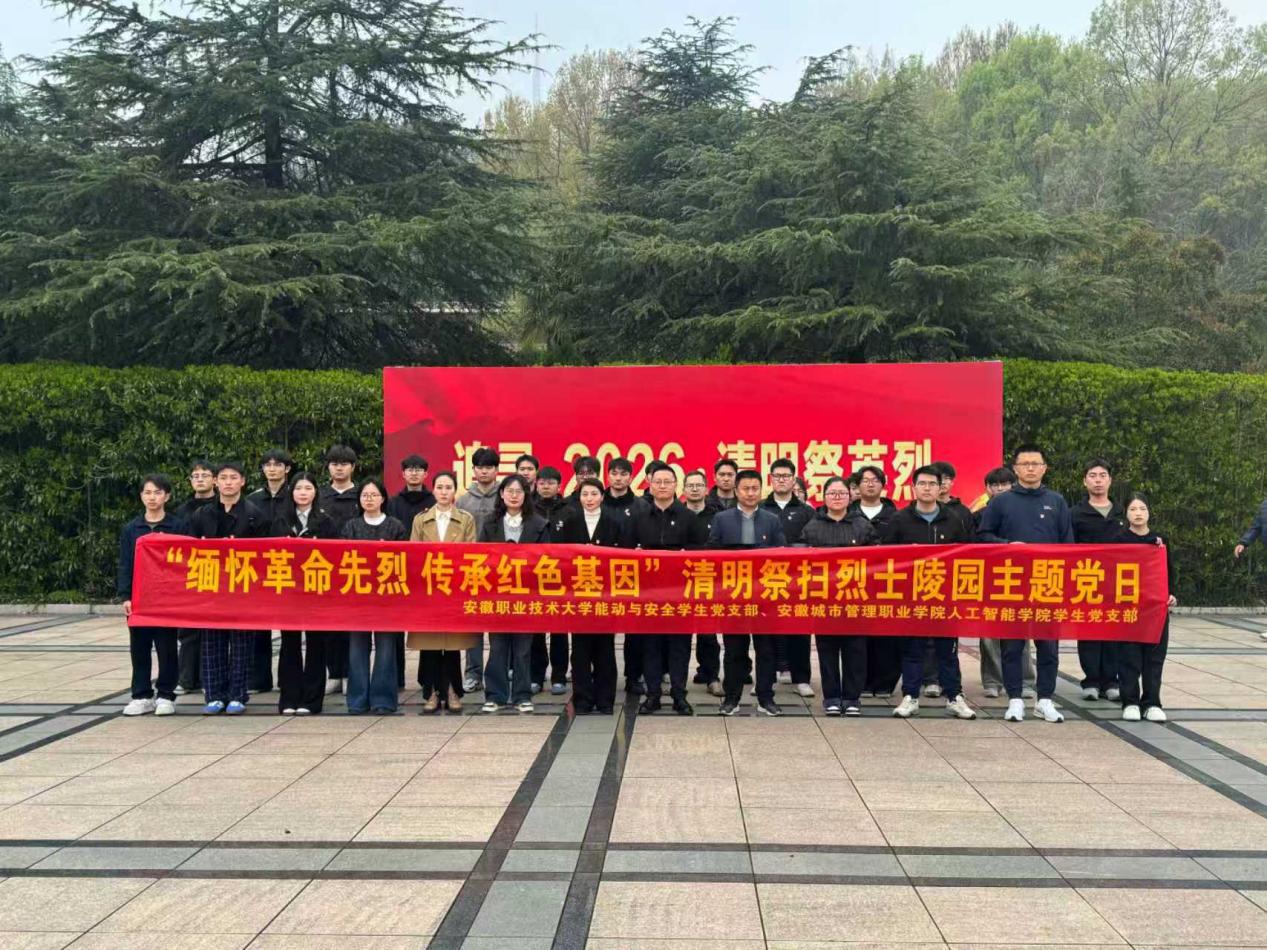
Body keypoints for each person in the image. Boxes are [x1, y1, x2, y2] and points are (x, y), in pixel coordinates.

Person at [977, 443, 1073, 724]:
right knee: (1012, 646)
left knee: (1048, 646)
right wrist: (1008, 545)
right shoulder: (1001, 502)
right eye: (1024, 464)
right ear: (1015, 469)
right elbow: (983, 536)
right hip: (1012, 583)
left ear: (1044, 468)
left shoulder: (1056, 501)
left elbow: (1068, 544)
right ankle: (1015, 699)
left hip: (1047, 584)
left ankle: (1045, 700)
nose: (1030, 468)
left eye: (1035, 464)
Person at [882, 466, 977, 720]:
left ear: (940, 487)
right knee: (912, 649)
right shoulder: (900, 519)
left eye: (932, 484)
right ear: (913, 487)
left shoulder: (953, 519)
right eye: (922, 483)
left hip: (944, 596)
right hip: (911, 595)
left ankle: (954, 696)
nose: (927, 488)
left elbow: (967, 555)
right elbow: (886, 556)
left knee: (948, 650)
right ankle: (910, 696)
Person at [707, 468, 789, 716]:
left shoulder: (771, 520)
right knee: (734, 650)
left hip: (764, 596)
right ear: (736, 491)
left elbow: (782, 554)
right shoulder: (722, 519)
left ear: (761, 490)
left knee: (766, 650)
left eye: (755, 488)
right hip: (734, 595)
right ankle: (731, 698)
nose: (750, 493)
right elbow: (712, 554)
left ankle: (766, 697)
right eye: (745, 488)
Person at [191, 461, 269, 715]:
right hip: (211, 585)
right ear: (215, 482)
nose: (228, 482)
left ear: (242, 481)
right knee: (211, 642)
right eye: (223, 478)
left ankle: (238, 695)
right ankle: (214, 695)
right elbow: (190, 549)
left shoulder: (256, 514)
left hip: (242, 586)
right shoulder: (201, 514)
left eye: (233, 477)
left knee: (241, 643)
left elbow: (265, 553)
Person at [630, 466, 708, 715]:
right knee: (650, 646)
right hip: (649, 594)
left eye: (667, 482)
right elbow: (625, 552)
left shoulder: (689, 517)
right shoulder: (639, 517)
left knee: (680, 646)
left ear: (676, 485)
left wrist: (686, 555)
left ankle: (679, 695)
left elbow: (703, 551)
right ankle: (653, 695)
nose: (662, 486)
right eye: (658, 482)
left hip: (680, 594)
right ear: (650, 485)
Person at [553, 478, 631, 714]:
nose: (589, 499)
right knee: (580, 649)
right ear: (579, 497)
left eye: (594, 494)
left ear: (602, 496)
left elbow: (623, 557)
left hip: (605, 594)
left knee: (605, 648)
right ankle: (583, 699)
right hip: (578, 595)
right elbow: (560, 557)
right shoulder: (569, 523)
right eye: (585, 494)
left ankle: (605, 700)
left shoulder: (615, 522)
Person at [801, 476, 876, 716]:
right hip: (824, 600)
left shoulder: (862, 525)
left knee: (856, 651)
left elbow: (877, 560)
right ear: (824, 497)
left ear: (850, 496)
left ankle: (852, 698)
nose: (837, 498)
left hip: (856, 598)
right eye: (832, 493)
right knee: (827, 651)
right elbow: (801, 562)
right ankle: (832, 697)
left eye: (841, 493)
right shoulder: (812, 527)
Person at [409, 471, 479, 713]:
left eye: (448, 487)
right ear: (433, 490)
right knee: (429, 644)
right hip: (428, 590)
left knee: (452, 645)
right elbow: (413, 555)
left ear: (455, 491)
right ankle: (431, 692)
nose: (444, 492)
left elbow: (471, 553)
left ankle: (452, 691)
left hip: (454, 589)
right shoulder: (421, 520)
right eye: (439, 487)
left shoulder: (466, 519)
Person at [119, 474, 188, 716]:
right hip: (140, 597)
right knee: (139, 648)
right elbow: (125, 564)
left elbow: (184, 563)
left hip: (166, 598)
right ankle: (141, 695)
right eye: (147, 493)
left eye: (157, 493)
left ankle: (166, 695)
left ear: (167, 496)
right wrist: (125, 595)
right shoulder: (131, 529)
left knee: (167, 647)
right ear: (141, 496)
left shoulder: (177, 527)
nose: (152, 497)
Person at [480, 474, 550, 713]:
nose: (513, 495)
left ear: (526, 495)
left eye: (519, 491)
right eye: (509, 490)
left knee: (523, 649)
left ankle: (522, 695)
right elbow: (480, 557)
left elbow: (546, 559)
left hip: (526, 594)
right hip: (498, 594)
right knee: (498, 647)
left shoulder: (539, 524)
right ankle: (495, 695)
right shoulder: (490, 523)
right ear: (501, 494)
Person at [272, 472, 337, 714]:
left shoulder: (326, 521)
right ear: (292, 492)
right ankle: (289, 698)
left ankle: (311, 700)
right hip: (288, 590)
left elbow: (335, 556)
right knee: (289, 644)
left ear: (315, 493)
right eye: (298, 488)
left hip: (316, 590)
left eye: (308, 488)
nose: (303, 493)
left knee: (316, 644)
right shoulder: (280, 520)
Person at [341, 479, 407, 714]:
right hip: (357, 597)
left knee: (386, 648)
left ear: (383, 498)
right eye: (365, 495)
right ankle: (357, 700)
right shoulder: (351, 527)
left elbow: (404, 560)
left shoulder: (395, 526)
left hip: (386, 598)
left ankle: (383, 700)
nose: (369, 499)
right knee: (357, 648)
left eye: (374, 495)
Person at [973, 466, 1034, 699]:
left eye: (1004, 484)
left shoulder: (1025, 511)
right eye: (994, 485)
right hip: (989, 578)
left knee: (1021, 630)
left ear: (1013, 485)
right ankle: (992, 681)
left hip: (1020, 578)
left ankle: (1025, 680)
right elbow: (978, 540)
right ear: (987, 489)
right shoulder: (978, 515)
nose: (999, 489)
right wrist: (1006, 545)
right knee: (989, 633)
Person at [1117, 493, 1177, 722]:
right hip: (1129, 607)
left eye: (1142, 509)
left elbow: (1169, 571)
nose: (1138, 513)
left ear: (1149, 512)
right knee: (1129, 656)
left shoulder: (1160, 540)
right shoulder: (1118, 539)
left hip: (1155, 609)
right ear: (1126, 513)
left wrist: (1171, 595)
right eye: (1133, 509)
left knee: (1154, 658)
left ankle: (1152, 702)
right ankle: (1130, 702)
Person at [1071, 459, 1127, 701]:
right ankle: (1091, 681)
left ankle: (1111, 681)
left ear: (1110, 480)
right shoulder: (1075, 513)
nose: (1097, 480)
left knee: (1114, 630)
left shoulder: (1123, 512)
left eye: (1102, 475)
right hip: (1087, 580)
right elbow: (1068, 547)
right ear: (1085, 481)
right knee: (1090, 630)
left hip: (1117, 582)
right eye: (1092, 475)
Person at [762, 458, 814, 697]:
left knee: (800, 629)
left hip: (798, 579)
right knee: (766, 631)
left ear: (794, 480)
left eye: (786, 476)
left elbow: (811, 542)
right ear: (771, 479)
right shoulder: (761, 508)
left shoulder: (806, 511)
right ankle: (767, 678)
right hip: (766, 578)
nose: (781, 480)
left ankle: (801, 678)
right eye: (777, 476)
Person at [849, 465, 902, 697]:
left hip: (887, 583)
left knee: (886, 635)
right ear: (857, 486)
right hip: (855, 583)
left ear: (883, 485)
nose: (870, 484)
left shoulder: (896, 516)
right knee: (858, 637)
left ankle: (884, 684)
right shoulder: (848, 515)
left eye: (875, 480)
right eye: (865, 480)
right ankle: (860, 682)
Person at [385, 454, 437, 688]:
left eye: (418, 469)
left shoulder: (434, 500)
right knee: (394, 627)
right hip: (397, 569)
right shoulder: (393, 503)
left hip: (426, 571)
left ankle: (427, 679)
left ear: (426, 474)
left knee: (427, 627)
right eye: (410, 469)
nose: (414, 473)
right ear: (403, 473)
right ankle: (396, 678)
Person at [245, 448, 293, 695]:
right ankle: (259, 679)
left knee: (289, 628)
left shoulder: (295, 495)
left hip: (288, 568)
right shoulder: (252, 499)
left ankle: (288, 679)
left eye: (277, 465)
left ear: (287, 469)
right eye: (268, 465)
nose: (272, 469)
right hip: (259, 570)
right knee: (259, 626)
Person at [457, 446, 501, 693]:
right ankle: (473, 673)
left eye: (489, 467)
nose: (484, 471)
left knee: (498, 624)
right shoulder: (463, 500)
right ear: (473, 470)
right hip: (472, 570)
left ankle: (498, 672)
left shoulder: (504, 496)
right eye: (480, 467)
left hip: (499, 569)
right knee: (472, 623)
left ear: (496, 470)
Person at [319, 444, 361, 696]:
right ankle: (334, 673)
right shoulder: (320, 495)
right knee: (329, 624)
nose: (339, 468)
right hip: (325, 568)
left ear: (352, 467)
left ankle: (350, 673)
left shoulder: (362, 494)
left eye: (344, 463)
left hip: (355, 567)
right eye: (334, 463)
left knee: (352, 625)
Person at [173, 460, 217, 696]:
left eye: (205, 475)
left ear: (214, 480)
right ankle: (186, 678)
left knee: (214, 630)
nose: (200, 479)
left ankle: (210, 678)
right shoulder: (182, 510)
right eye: (195, 476)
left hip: (217, 574)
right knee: (188, 630)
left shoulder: (222, 506)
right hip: (189, 574)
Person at [683, 469, 723, 695]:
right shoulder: (676, 514)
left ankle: (712, 676)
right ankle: (676, 679)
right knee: (680, 635)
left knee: (708, 633)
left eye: (699, 485)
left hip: (708, 580)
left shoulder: (717, 516)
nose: (695, 489)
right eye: (691, 485)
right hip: (679, 583)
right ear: (684, 489)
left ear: (707, 489)